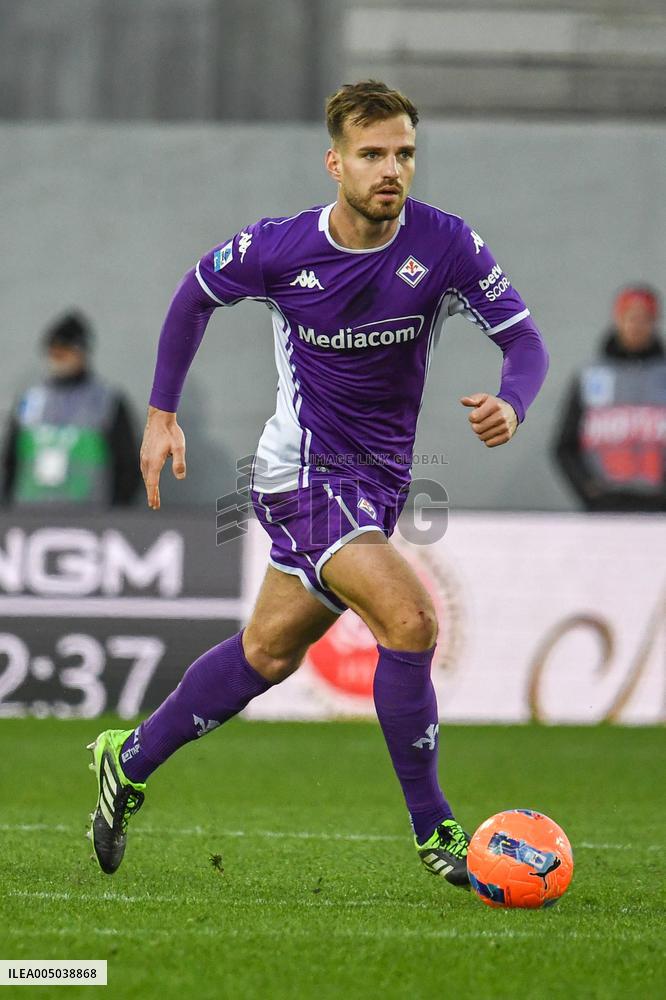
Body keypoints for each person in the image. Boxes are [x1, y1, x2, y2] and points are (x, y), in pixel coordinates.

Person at [86, 81, 549, 885]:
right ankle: (436, 832)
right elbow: (193, 296)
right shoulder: (281, 248)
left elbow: (526, 341)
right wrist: (161, 414)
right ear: (334, 162)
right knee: (409, 621)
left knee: (267, 653)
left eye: (404, 153)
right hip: (299, 471)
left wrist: (513, 400)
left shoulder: (446, 246)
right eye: (372, 155)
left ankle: (124, 762)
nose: (391, 169)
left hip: (379, 486)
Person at [1, 312, 141, 507]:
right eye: (54, 351)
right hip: (29, 517)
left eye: (65, 351)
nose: (57, 358)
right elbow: (11, 462)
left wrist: (115, 513)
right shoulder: (28, 402)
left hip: (89, 518)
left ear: (81, 352)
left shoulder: (106, 402)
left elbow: (128, 466)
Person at [553, 285, 666, 511]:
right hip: (605, 506)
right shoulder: (590, 375)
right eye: (630, 317)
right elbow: (565, 445)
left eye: (644, 318)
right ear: (618, 319)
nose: (637, 326)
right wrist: (588, 489)